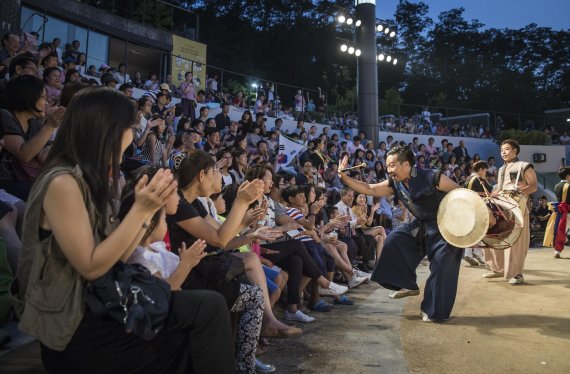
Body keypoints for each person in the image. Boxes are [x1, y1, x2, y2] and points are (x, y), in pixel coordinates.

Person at [11, 88, 236, 373]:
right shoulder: (62, 183)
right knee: (203, 313)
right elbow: (92, 267)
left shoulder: (89, 180)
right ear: (106, 130)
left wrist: (148, 214)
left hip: (101, 306)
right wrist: (142, 210)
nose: (132, 137)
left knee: (204, 312)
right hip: (75, 327)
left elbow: (116, 256)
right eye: (130, 128)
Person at [337, 145, 463, 322]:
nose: (389, 170)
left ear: (406, 165)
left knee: (442, 267)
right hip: (420, 226)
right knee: (394, 240)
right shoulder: (394, 184)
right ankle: (407, 284)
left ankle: (434, 311)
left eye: (392, 165)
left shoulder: (433, 176)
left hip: (447, 226)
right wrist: (344, 176)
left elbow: (462, 194)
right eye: (387, 166)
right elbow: (369, 188)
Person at [483, 139, 537, 284]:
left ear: (515, 150)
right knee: (492, 233)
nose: (503, 152)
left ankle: (517, 274)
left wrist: (521, 190)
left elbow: (533, 186)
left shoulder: (524, 166)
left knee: (516, 240)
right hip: (502, 205)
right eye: (501, 150)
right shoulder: (501, 169)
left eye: (506, 149)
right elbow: (499, 188)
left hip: (517, 206)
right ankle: (497, 268)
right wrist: (490, 196)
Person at [543, 167, 570, 257]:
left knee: (559, 230)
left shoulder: (556, 186)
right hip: (567, 210)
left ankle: (557, 251)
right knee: (563, 230)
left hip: (559, 211)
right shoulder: (568, 186)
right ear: (568, 176)